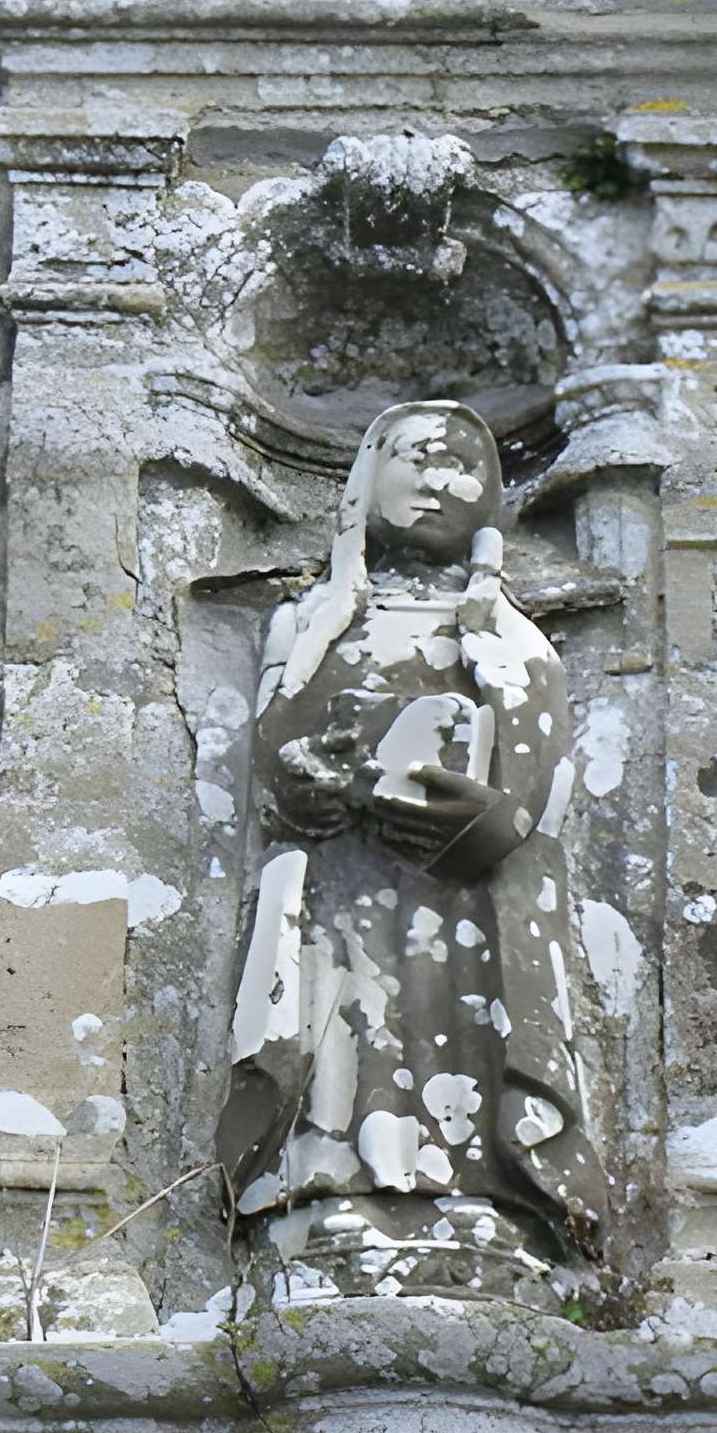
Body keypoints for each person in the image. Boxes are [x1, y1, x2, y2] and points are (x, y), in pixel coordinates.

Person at [217, 401, 606, 1301]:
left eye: (464, 465)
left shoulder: (507, 636)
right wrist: (312, 784)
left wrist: (480, 816)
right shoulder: (312, 623)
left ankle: (480, 1198)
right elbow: (272, 763)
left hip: (464, 896)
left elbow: (537, 787)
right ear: (367, 478)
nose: (438, 480)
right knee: (340, 1020)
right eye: (418, 457)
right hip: (339, 885)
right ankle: (324, 1186)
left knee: (456, 1018)